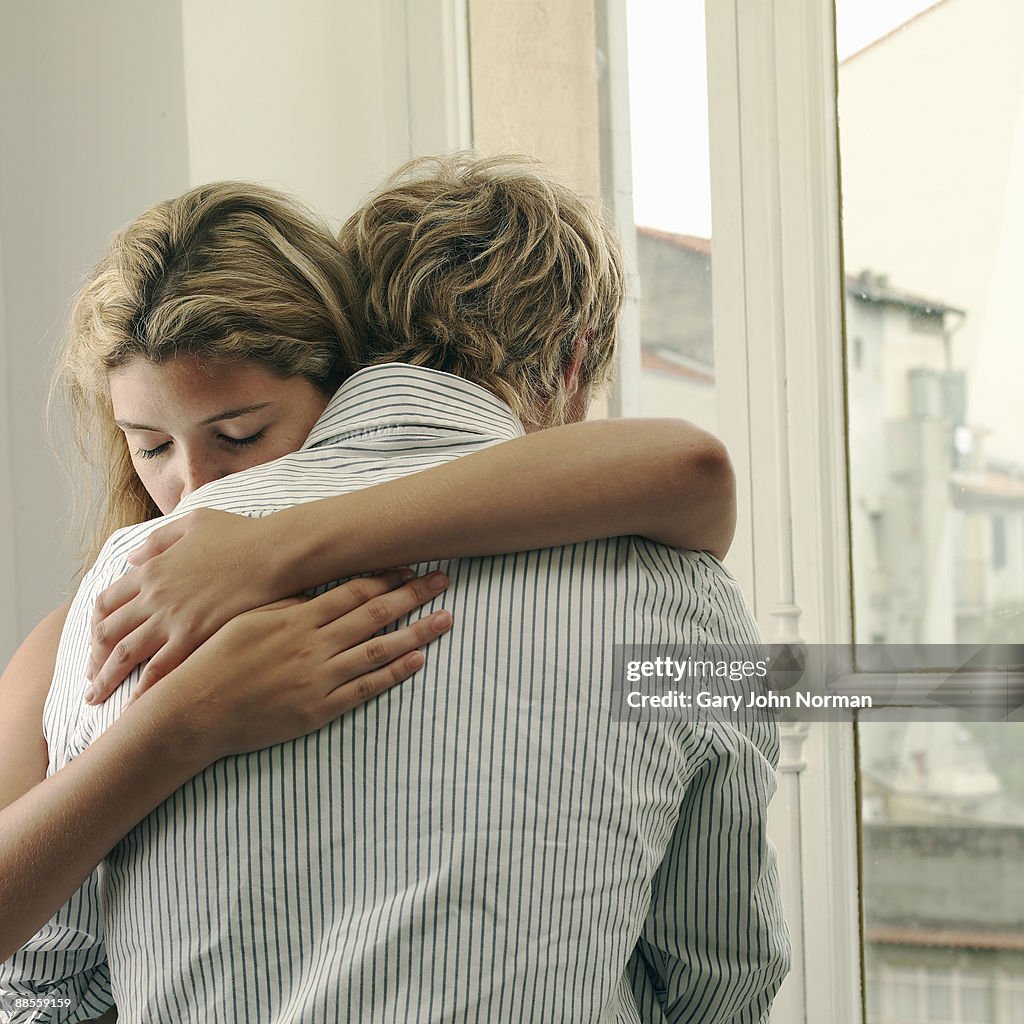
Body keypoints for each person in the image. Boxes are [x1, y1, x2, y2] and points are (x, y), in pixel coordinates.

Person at [0, 166, 760, 1022]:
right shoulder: (675, 589)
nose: (196, 485)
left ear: (352, 351)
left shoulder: (135, 582)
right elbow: (719, 982)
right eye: (151, 447)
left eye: (240, 434)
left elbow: (45, 985)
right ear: (578, 360)